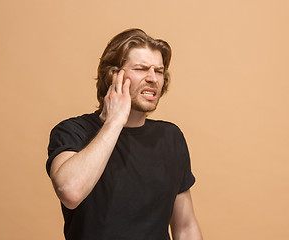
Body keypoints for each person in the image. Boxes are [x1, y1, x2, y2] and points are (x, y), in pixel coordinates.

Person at [46, 28, 202, 240]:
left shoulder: (170, 137)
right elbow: (70, 192)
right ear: (113, 75)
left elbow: (185, 227)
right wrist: (115, 121)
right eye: (141, 68)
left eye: (158, 71)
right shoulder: (72, 131)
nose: (153, 78)